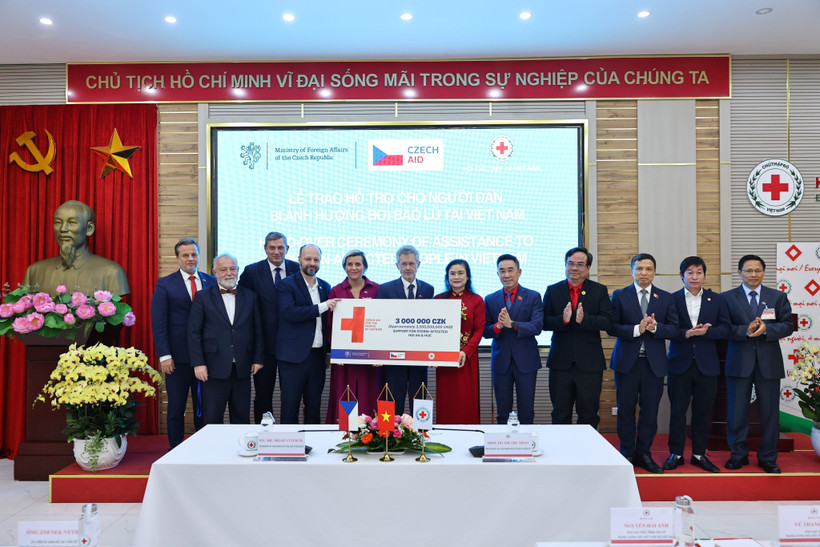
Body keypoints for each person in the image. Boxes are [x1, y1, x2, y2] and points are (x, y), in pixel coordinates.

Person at [608, 253, 678, 474]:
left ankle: (644, 453)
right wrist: (637, 329)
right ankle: (627, 453)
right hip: (627, 363)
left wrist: (655, 328)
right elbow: (612, 327)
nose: (644, 272)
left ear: (654, 272)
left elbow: (675, 329)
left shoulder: (666, 298)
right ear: (632, 270)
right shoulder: (619, 295)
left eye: (648, 268)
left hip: (653, 365)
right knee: (625, 411)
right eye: (639, 268)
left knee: (650, 411)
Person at [723, 254, 793, 474]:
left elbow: (788, 325)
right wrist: (745, 330)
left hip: (768, 362)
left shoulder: (778, 296)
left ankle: (768, 458)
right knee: (736, 411)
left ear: (764, 272)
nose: (753, 275)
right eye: (748, 270)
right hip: (739, 361)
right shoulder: (727, 298)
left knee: (770, 412)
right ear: (739, 272)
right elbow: (723, 327)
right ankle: (738, 455)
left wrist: (768, 330)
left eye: (758, 270)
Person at [663, 256, 730, 473]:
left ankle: (700, 454)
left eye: (699, 272)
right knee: (677, 412)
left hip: (707, 365)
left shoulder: (717, 300)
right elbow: (667, 329)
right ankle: (677, 453)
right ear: (681, 275)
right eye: (690, 272)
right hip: (679, 364)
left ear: (704, 274)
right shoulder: (670, 299)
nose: (694, 276)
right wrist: (685, 333)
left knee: (703, 413)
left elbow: (726, 329)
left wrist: (707, 331)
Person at [150, 238, 216, 449]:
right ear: (177, 258)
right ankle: (175, 449)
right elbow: (158, 322)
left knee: (204, 408)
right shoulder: (165, 284)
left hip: (206, 358)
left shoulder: (211, 281)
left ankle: (203, 448)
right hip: (177, 359)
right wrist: (164, 355)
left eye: (194, 254)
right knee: (176, 408)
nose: (190, 259)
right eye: (185, 255)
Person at [542, 247, 613, 429]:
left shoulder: (599, 290)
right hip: (560, 364)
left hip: (589, 365)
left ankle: (586, 456)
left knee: (588, 414)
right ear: (565, 265)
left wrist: (585, 320)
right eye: (571, 263)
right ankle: (560, 456)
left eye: (580, 264)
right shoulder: (553, 290)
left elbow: (607, 321)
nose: (574, 268)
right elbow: (542, 322)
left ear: (588, 268)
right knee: (560, 413)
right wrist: (562, 320)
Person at [189, 254, 264, 425]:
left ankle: (239, 451)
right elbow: (194, 333)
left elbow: (258, 330)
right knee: (212, 417)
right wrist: (198, 363)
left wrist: (258, 359)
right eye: (223, 270)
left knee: (241, 417)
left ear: (237, 270)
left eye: (232, 269)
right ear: (215, 272)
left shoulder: (251, 296)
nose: (229, 273)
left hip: (243, 368)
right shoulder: (202, 297)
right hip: (212, 368)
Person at [237, 231, 299, 423]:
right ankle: (263, 437)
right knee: (263, 396)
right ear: (265, 249)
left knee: (292, 396)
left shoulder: (299, 269)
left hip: (292, 345)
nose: (276, 252)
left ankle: (291, 437)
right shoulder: (251, 272)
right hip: (263, 347)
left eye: (281, 247)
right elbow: (243, 307)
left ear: (287, 249)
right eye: (272, 248)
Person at [276, 244, 340, 424]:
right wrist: (323, 306)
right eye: (308, 259)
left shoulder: (325, 287)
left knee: (314, 406)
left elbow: (328, 324)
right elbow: (290, 313)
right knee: (290, 407)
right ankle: (287, 449)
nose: (312, 263)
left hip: (317, 358)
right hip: (292, 358)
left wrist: (328, 352)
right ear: (299, 260)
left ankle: (314, 446)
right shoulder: (286, 284)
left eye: (316, 259)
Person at [483, 254, 543, 425]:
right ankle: (501, 450)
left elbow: (537, 327)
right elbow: (485, 331)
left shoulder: (533, 296)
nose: (506, 275)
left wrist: (513, 324)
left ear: (519, 272)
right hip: (501, 362)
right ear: (497, 274)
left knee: (526, 412)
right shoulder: (490, 298)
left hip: (526, 362)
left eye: (510, 270)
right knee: (502, 413)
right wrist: (498, 327)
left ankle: (527, 449)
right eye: (502, 271)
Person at [23, 200, 129, 295]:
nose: (63, 229)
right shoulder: (34, 271)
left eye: (71, 222)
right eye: (58, 222)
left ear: (89, 229)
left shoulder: (111, 273)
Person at [376, 245, 434, 415]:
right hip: (393, 357)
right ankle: (389, 438)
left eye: (411, 263)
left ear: (419, 264)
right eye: (403, 264)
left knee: (420, 401)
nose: (408, 268)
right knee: (392, 401)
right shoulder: (385, 289)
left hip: (420, 357)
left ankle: (422, 437)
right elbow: (381, 322)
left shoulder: (428, 289)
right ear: (397, 266)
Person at [325, 250, 382, 423]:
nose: (354, 267)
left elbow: (383, 322)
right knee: (345, 396)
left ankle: (372, 433)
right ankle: (346, 433)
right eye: (350, 264)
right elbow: (329, 324)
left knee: (370, 394)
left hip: (371, 358)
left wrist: (381, 353)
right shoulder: (335, 291)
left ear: (365, 266)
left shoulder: (378, 289)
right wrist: (335, 351)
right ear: (344, 267)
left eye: (358, 264)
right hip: (345, 358)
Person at [434, 259, 485, 424]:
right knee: (446, 400)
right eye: (452, 273)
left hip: (466, 360)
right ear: (447, 277)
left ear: (468, 276)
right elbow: (430, 330)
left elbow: (479, 330)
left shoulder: (476, 300)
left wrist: (466, 351)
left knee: (466, 400)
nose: (456, 277)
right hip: (444, 361)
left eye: (460, 273)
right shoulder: (438, 299)